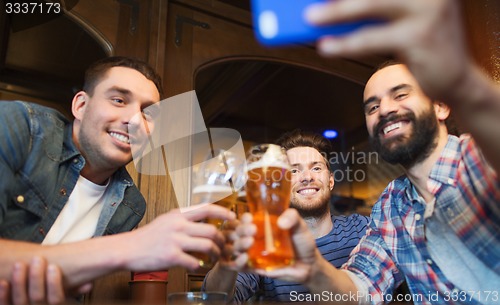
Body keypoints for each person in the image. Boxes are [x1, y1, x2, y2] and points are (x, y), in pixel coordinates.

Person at [232, 0, 500, 301]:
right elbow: (360, 289)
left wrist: (461, 80)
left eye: (400, 94)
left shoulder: (479, 159)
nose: (384, 109)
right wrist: (312, 267)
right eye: (372, 106)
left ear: (440, 104)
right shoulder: (391, 206)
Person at [0, 56, 234, 305]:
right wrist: (130, 246)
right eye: (119, 100)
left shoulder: (130, 204)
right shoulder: (20, 125)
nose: (134, 121)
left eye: (147, 113)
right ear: (80, 105)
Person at [203, 129, 369, 303]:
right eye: (294, 171)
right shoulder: (265, 240)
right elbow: (216, 301)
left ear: (331, 180)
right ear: (280, 185)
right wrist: (226, 263)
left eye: (316, 168)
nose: (307, 177)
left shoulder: (362, 229)